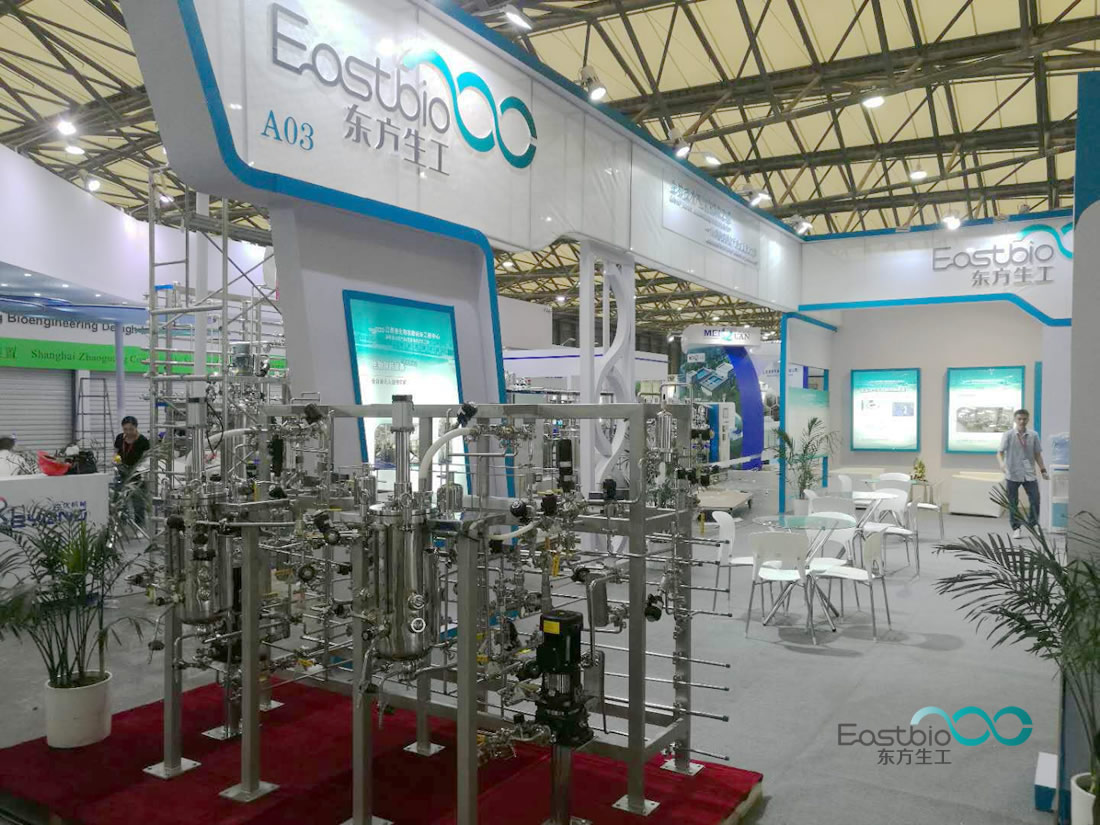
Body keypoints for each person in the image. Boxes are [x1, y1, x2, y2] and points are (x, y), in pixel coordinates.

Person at [997, 409, 1048, 539]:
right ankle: (1016, 528)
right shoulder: (1008, 435)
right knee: (1013, 502)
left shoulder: (1033, 435)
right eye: (1019, 419)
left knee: (1035, 499)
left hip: (1029, 473)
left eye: (1024, 419)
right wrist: (1002, 464)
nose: (1022, 421)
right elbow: (1000, 452)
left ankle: (1033, 524)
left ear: (1028, 419)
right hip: (1012, 473)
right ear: (1015, 420)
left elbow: (1037, 454)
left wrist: (1043, 470)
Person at [114, 416, 151, 528]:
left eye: (131, 429)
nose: (128, 432)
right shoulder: (120, 438)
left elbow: (147, 458)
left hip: (137, 473)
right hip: (122, 471)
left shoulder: (143, 441)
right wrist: (116, 461)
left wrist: (139, 470)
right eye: (125, 429)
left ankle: (140, 525)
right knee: (120, 500)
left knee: (138, 501)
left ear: (136, 428)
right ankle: (121, 524)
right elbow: (116, 452)